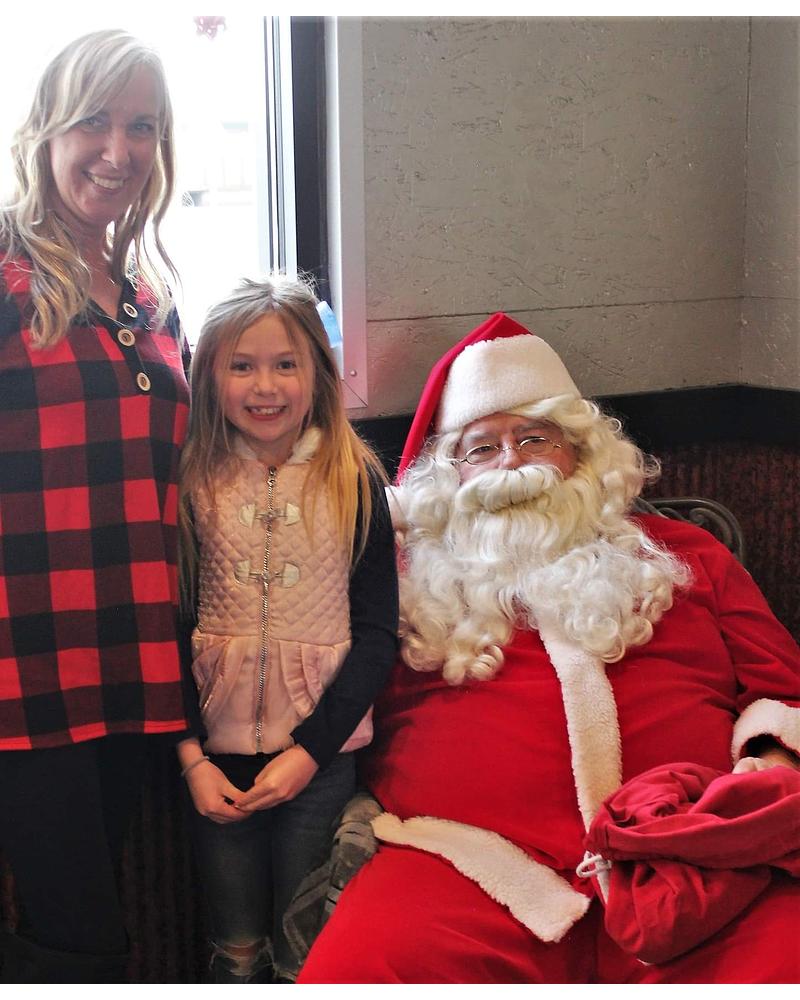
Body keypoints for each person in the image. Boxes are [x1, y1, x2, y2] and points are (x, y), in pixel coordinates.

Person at [298, 312, 800, 984]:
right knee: (358, 973)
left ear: (582, 453)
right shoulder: (402, 574)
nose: (511, 461)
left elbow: (784, 688)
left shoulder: (691, 555)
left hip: (693, 863)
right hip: (461, 868)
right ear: (448, 479)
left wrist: (767, 772)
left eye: (535, 438)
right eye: (481, 448)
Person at [0, 30, 190, 983]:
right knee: (80, 937)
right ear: (45, 130)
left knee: (88, 908)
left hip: (133, 657)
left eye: (141, 128)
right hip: (23, 669)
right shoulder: (6, 272)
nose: (118, 151)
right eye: (93, 122)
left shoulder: (150, 296)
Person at [175, 275, 399, 983]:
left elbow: (377, 635)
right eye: (242, 366)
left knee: (306, 947)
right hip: (213, 766)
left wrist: (309, 752)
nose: (265, 386)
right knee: (235, 943)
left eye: (285, 364)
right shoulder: (190, 481)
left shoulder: (354, 479)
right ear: (209, 377)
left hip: (320, 762)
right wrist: (191, 758)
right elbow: (166, 625)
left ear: (318, 374)